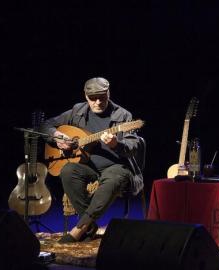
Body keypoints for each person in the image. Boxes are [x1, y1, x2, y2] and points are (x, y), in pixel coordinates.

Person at [40, 77, 143, 243]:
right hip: (87, 166)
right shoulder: (77, 111)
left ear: (108, 93)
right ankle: (90, 225)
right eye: (92, 98)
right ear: (85, 96)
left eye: (102, 97)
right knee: (67, 170)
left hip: (116, 167)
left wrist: (117, 144)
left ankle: (78, 229)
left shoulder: (123, 115)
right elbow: (45, 125)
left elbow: (133, 146)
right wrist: (57, 136)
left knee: (113, 178)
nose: (97, 102)